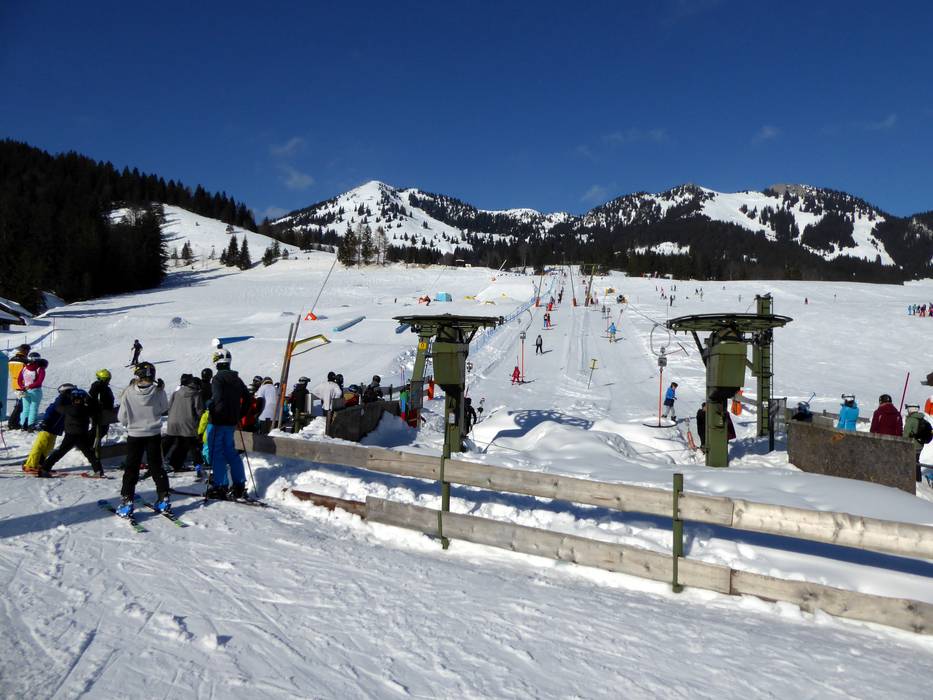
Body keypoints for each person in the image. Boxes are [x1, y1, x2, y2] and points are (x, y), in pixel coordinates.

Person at [115, 362, 170, 516]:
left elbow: (121, 417)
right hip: (153, 434)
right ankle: (163, 497)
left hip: (135, 435)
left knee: (131, 468)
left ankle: (127, 500)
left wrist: (130, 423)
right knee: (156, 466)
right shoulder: (158, 391)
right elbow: (163, 408)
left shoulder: (128, 391)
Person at [205, 349, 250, 500]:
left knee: (216, 453)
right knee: (231, 452)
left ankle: (221, 485)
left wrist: (210, 405)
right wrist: (239, 414)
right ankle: (239, 484)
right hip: (231, 422)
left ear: (216, 361)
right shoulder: (237, 379)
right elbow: (248, 398)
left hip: (217, 421)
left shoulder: (217, 379)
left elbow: (217, 398)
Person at [41, 387, 104, 477]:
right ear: (83, 399)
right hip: (82, 435)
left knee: (59, 452)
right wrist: (91, 400)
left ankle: (45, 468)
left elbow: (58, 406)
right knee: (90, 454)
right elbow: (96, 409)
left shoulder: (67, 408)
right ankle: (98, 471)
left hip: (70, 435)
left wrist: (63, 395)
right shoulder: (87, 409)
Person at [23, 384, 72, 473]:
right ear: (67, 392)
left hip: (55, 429)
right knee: (40, 446)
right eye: (72, 391)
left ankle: (40, 463)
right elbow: (50, 411)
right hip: (48, 427)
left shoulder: (68, 401)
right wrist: (45, 421)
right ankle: (30, 465)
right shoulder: (60, 400)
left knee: (48, 447)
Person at [164, 373, 204, 472]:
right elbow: (199, 411)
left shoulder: (176, 392)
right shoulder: (196, 394)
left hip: (173, 421)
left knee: (174, 443)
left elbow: (169, 406)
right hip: (188, 423)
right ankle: (198, 464)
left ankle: (163, 463)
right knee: (191, 444)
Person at [17, 352, 46, 431]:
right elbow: (39, 382)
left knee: (26, 408)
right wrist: (29, 386)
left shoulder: (25, 368)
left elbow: (19, 379)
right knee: (33, 408)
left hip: (25, 390)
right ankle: (31, 425)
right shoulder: (40, 369)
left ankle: (23, 424)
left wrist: (22, 387)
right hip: (35, 391)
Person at [903, 405, 933, 482]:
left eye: (908, 409)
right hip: (920, 445)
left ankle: (914, 480)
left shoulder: (911, 420)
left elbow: (905, 436)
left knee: (911, 462)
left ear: (911, 410)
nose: (907, 411)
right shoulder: (921, 418)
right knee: (916, 461)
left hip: (912, 445)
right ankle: (918, 479)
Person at [88, 368, 115, 452]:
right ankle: (88, 446)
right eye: (107, 379)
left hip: (105, 413)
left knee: (102, 430)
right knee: (97, 431)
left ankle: (90, 445)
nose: (108, 381)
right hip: (99, 413)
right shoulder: (97, 387)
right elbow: (92, 399)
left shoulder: (105, 388)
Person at [6, 344, 30, 429]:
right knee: (21, 405)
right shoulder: (25, 361)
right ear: (25, 350)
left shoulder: (11, 359)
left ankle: (15, 421)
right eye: (28, 350)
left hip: (15, 383)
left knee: (19, 403)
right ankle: (13, 423)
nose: (28, 352)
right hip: (23, 384)